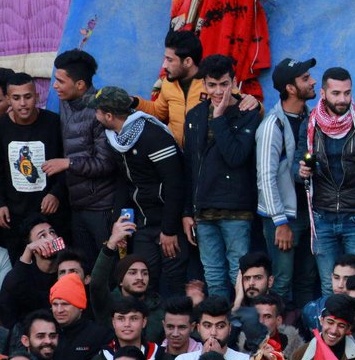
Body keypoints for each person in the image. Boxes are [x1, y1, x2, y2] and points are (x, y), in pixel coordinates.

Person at [295, 67, 355, 294]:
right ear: (323, 93)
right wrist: (300, 172)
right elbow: (295, 166)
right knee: (331, 289)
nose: (342, 99)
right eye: (336, 93)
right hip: (322, 218)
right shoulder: (310, 126)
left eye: (347, 93)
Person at [92, 86, 188, 297]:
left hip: (168, 224)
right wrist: (120, 222)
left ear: (109, 116)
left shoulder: (153, 136)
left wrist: (170, 229)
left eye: (97, 111)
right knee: (144, 283)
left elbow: (175, 184)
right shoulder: (116, 138)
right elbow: (124, 182)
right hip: (143, 225)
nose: (95, 116)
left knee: (173, 284)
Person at [182, 54, 262, 299]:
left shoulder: (246, 112)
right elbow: (190, 166)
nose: (218, 91)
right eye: (212, 85)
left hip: (236, 209)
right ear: (204, 85)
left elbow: (236, 156)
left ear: (234, 81)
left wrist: (218, 118)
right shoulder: (194, 115)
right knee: (214, 277)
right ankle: (216, 333)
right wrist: (187, 211)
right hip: (204, 210)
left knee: (239, 276)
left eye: (224, 84)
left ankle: (239, 329)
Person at [257, 55, 320, 308]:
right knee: (282, 283)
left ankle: (304, 340)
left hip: (309, 215)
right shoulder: (273, 125)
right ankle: (277, 343)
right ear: (291, 88)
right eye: (305, 79)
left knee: (307, 280)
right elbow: (265, 177)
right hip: (283, 219)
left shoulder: (313, 119)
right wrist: (279, 222)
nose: (313, 81)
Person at [45, 50, 119, 265]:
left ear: (80, 85)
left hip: (102, 208)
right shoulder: (65, 102)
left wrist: (67, 163)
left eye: (60, 81)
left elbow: (106, 163)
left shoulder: (100, 112)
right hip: (75, 206)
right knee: (83, 267)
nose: (55, 86)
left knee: (108, 269)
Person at [0, 72, 66, 252]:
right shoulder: (1, 126)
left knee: (55, 258)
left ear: (37, 96)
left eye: (28, 97)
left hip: (50, 215)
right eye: (16, 98)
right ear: (7, 99)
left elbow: (66, 162)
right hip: (13, 217)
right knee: (20, 263)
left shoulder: (53, 123)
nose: (22, 103)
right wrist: (0, 203)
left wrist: (56, 194)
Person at [139, 30, 203, 145]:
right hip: (174, 154)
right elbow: (158, 112)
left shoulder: (214, 85)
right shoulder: (168, 83)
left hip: (203, 158)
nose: (164, 65)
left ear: (187, 62)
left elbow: (237, 106)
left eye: (170, 60)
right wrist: (133, 101)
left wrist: (247, 100)